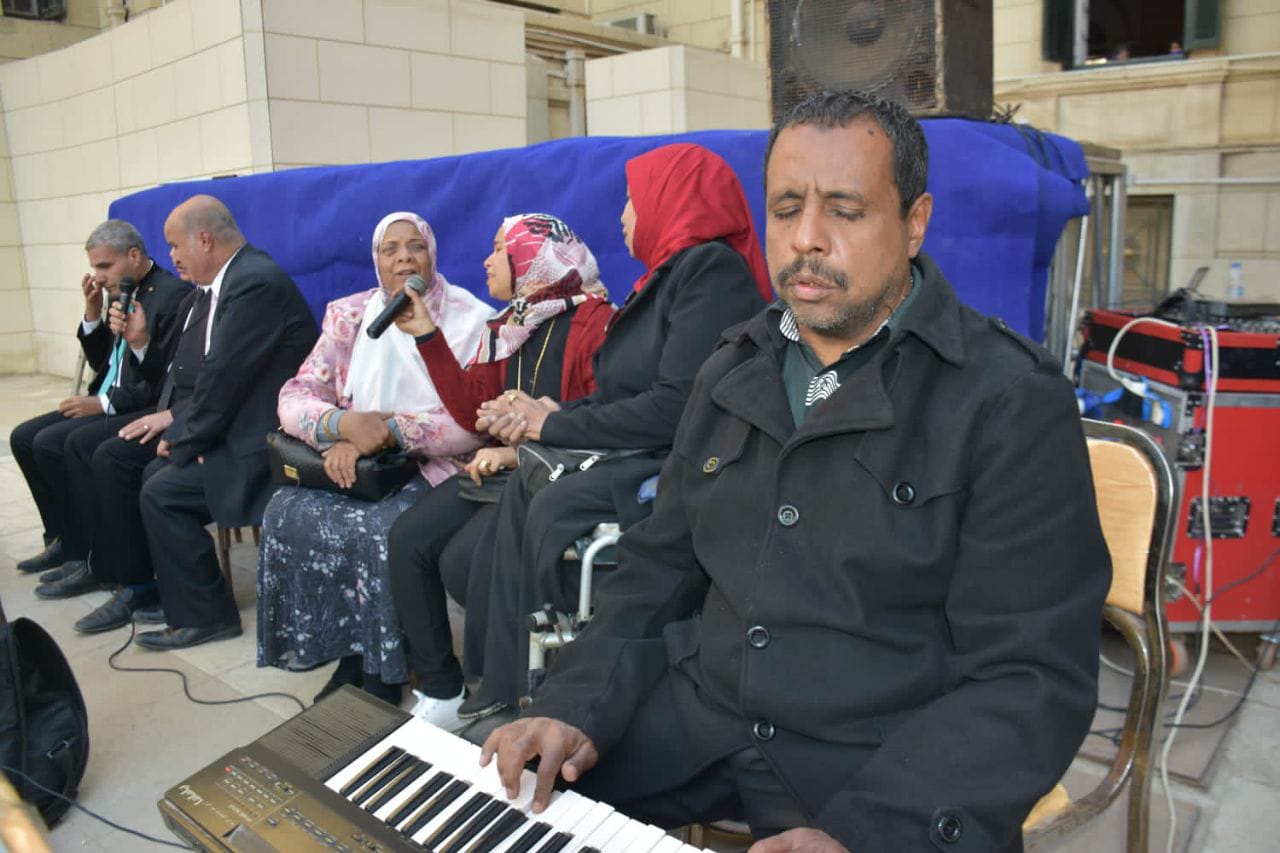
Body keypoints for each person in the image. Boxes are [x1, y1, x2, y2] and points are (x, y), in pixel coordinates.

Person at [480, 91, 1111, 851]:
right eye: (786, 209)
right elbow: (657, 564)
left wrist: (868, 831)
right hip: (702, 715)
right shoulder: (731, 368)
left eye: (845, 210)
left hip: (881, 759)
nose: (807, 238)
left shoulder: (1008, 399)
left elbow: (1030, 677)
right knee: (505, 813)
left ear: (914, 222)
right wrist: (573, 702)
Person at [458, 142, 772, 721]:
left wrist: (554, 423)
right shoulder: (663, 278)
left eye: (632, 199)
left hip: (683, 461)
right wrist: (550, 417)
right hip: (643, 447)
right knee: (525, 483)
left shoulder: (709, 271)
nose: (623, 214)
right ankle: (504, 680)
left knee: (552, 502)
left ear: (669, 199)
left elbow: (677, 406)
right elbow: (625, 394)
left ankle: (559, 690)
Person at [385, 212, 613, 727]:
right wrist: (427, 335)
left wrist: (519, 448)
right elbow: (472, 412)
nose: (487, 261)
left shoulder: (596, 324)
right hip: (499, 472)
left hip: (552, 474)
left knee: (462, 561)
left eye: (497, 250)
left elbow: (601, 420)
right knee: (407, 539)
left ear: (530, 257)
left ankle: (508, 687)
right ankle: (442, 688)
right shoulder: (508, 326)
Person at [256, 212, 493, 704]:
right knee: (285, 511)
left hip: (435, 466)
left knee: (377, 528)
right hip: (358, 460)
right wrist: (340, 425)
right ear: (377, 261)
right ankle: (350, 651)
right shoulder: (350, 317)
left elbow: (472, 422)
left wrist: (384, 433)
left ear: (432, 254)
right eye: (391, 249)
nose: (404, 257)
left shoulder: (472, 320)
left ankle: (387, 667)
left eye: (415, 247)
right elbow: (296, 393)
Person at [103, 194, 318, 650]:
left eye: (174, 245)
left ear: (203, 239)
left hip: (271, 442)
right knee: (152, 473)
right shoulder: (232, 281)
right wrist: (185, 436)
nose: (172, 257)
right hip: (240, 424)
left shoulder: (255, 283)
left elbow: (223, 379)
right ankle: (179, 597)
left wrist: (186, 440)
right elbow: (201, 378)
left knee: (163, 492)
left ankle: (206, 616)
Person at [12, 221, 187, 592]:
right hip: (110, 396)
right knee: (24, 437)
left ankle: (93, 553)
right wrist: (92, 314)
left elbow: (162, 380)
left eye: (105, 266)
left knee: (61, 443)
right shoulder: (119, 292)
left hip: (139, 403)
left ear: (134, 256)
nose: (98, 276)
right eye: (94, 267)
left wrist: (105, 403)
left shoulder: (170, 296)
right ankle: (65, 539)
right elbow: (104, 363)